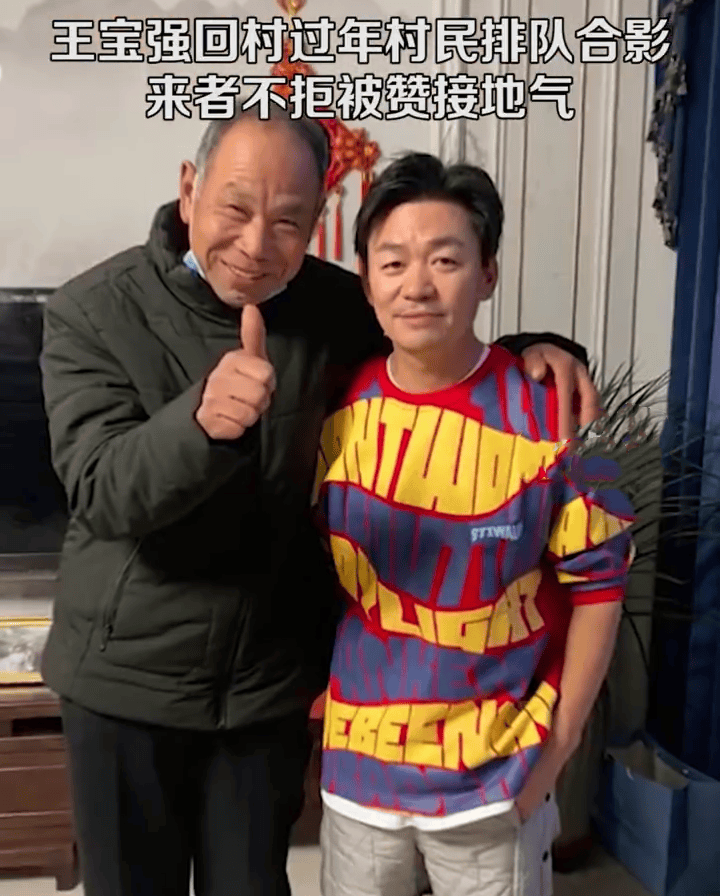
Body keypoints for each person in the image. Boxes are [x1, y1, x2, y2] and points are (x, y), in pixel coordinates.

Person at [40, 100, 599, 896]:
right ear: (190, 189)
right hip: (127, 683)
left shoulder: (334, 307)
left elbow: (432, 345)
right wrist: (198, 424)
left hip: (264, 689)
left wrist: (537, 353)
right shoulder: (93, 311)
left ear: (316, 223)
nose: (255, 244)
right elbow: (101, 490)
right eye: (236, 209)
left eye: (288, 222)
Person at [313, 153, 635, 896]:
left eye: (446, 259)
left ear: (487, 273)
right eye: (393, 262)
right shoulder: (331, 401)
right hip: (359, 775)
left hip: (495, 782)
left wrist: (557, 750)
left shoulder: (559, 412)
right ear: (366, 279)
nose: (417, 285)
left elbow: (602, 587)